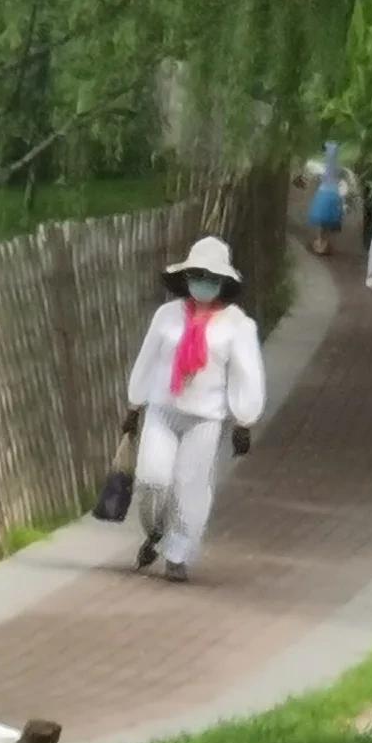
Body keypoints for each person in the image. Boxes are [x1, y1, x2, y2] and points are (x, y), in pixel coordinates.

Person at [121, 236, 267, 583]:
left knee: (191, 487)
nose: (202, 282)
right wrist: (134, 404)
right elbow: (147, 359)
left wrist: (244, 421)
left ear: (223, 282)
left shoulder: (237, 325)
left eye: (210, 277)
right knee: (152, 479)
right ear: (185, 277)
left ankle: (178, 553)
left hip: (205, 418)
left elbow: (247, 374)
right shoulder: (167, 316)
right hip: (162, 410)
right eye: (197, 275)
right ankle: (155, 531)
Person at [306, 142, 349, 255]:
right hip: (332, 195)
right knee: (326, 225)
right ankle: (323, 242)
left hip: (326, 194)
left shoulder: (325, 171)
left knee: (323, 224)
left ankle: (321, 242)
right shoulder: (333, 173)